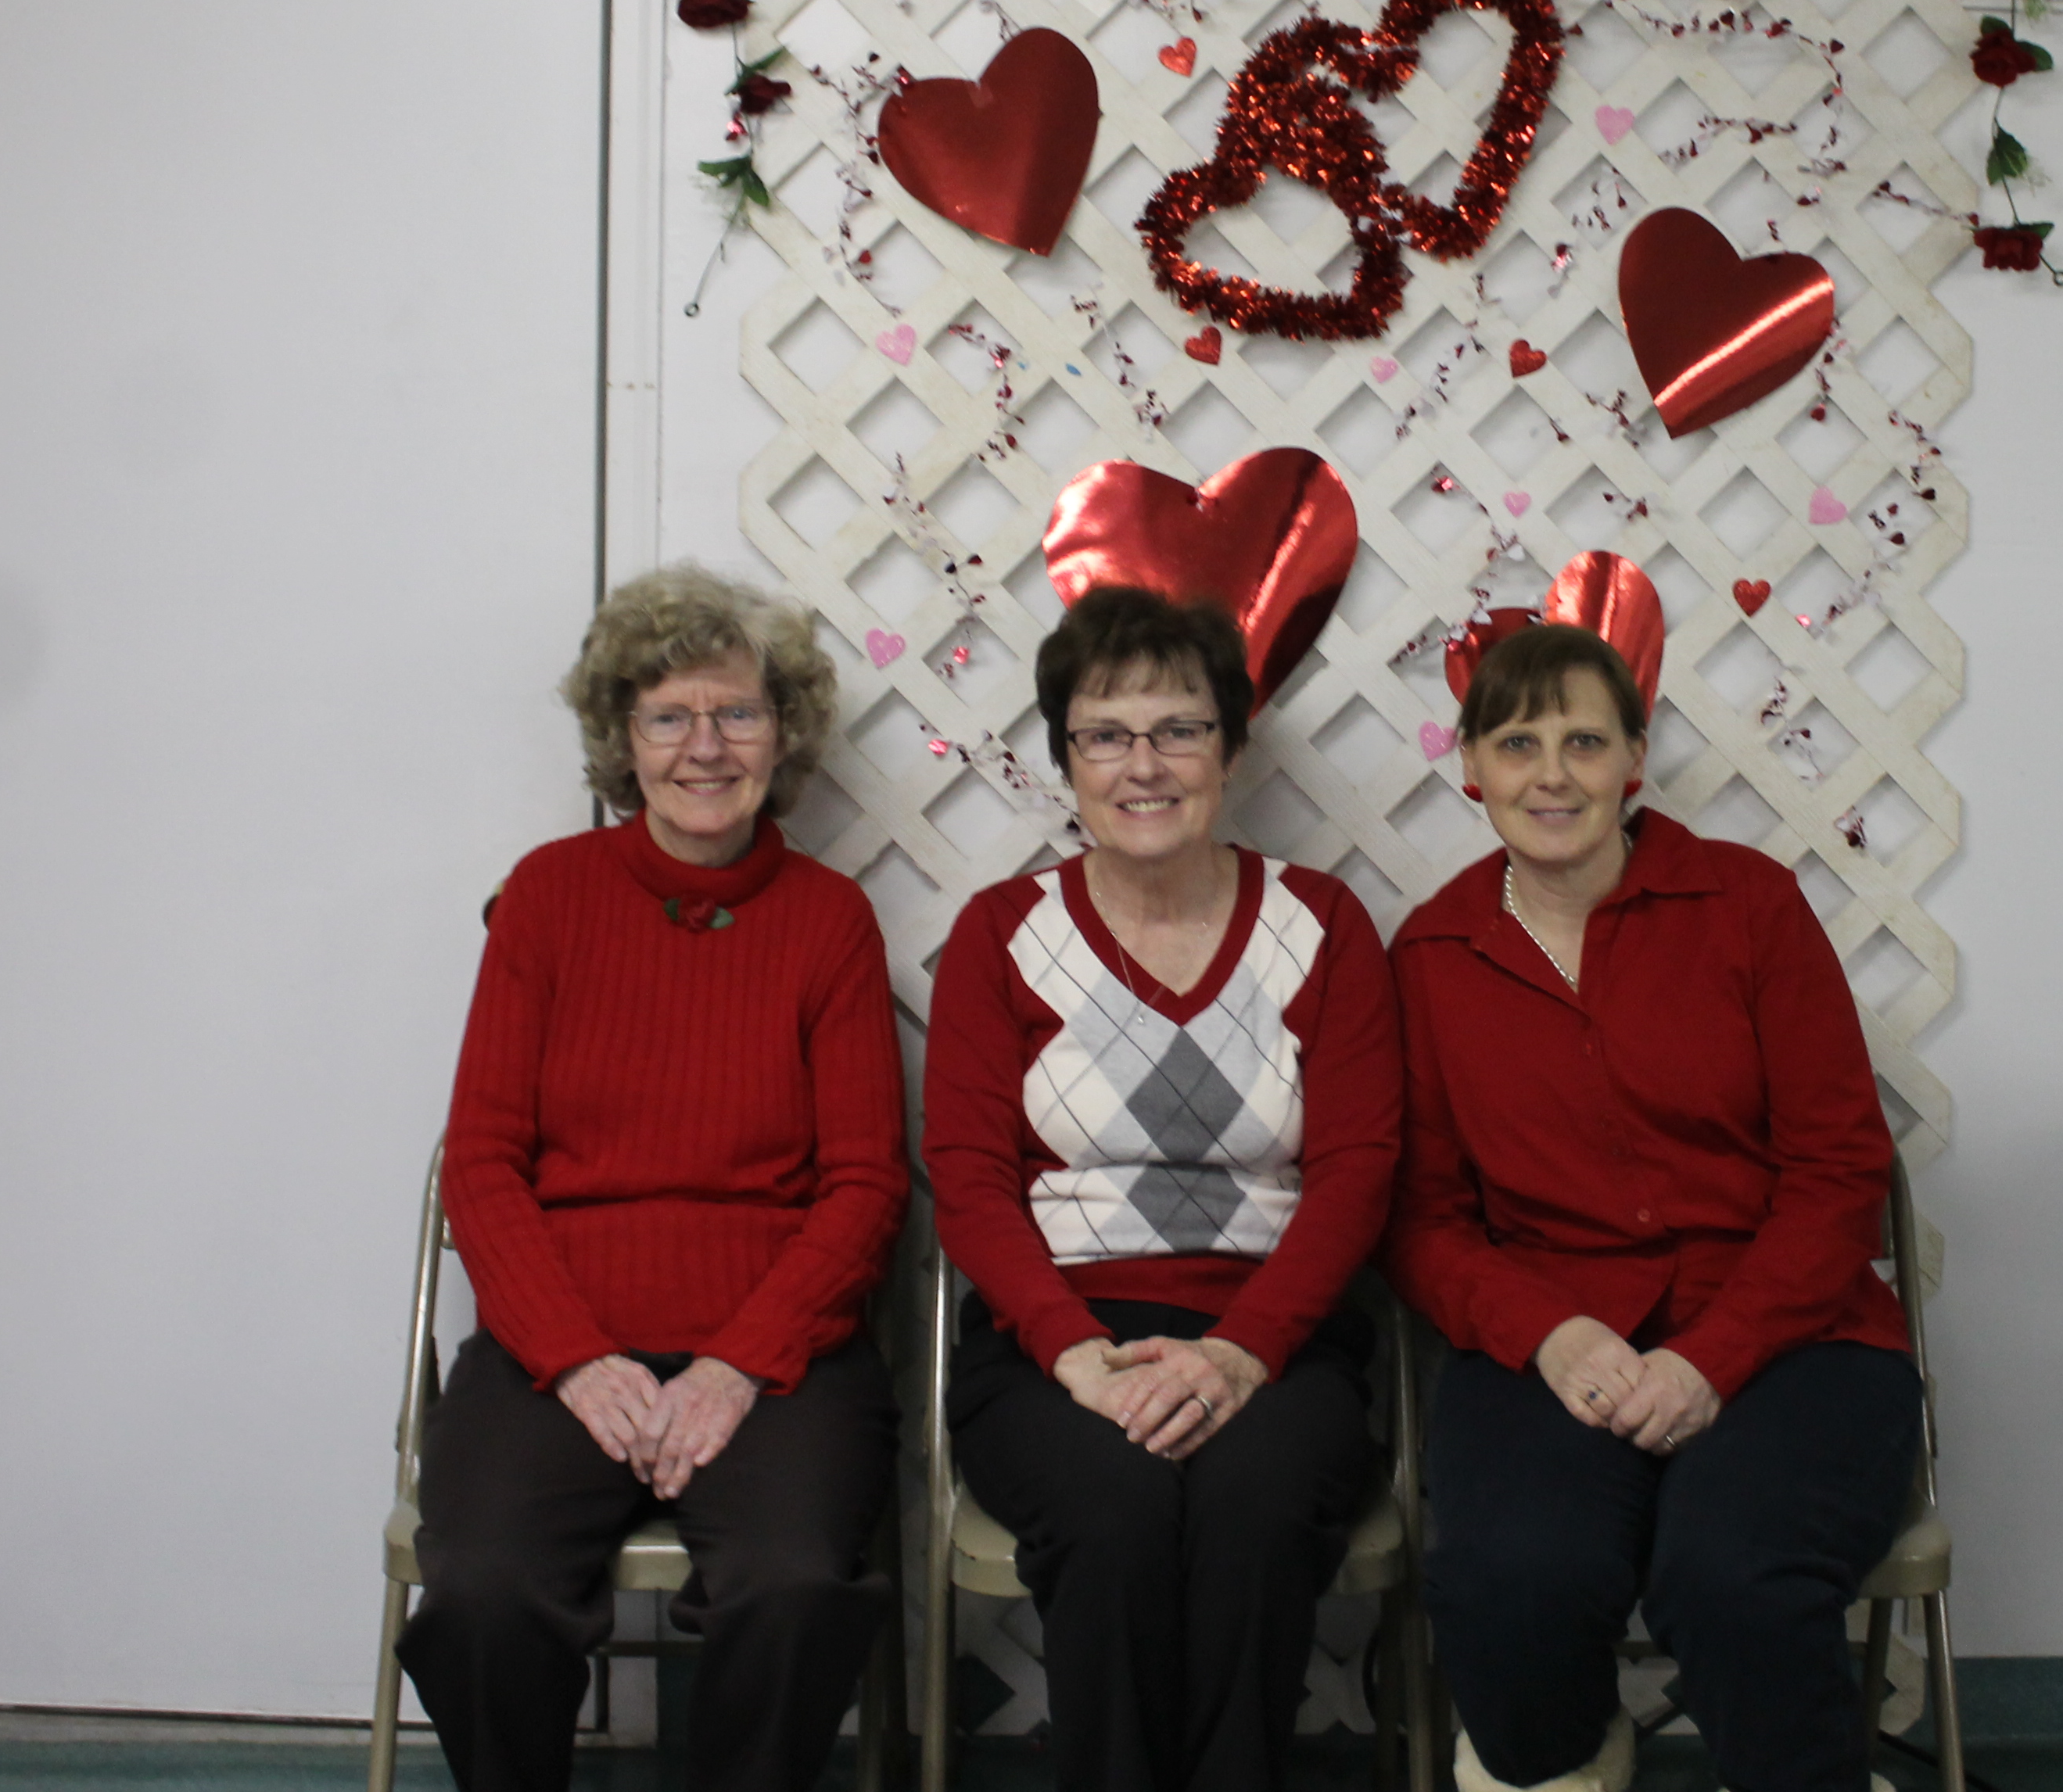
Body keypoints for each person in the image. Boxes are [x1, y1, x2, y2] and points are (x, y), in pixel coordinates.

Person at [1384, 621, 1924, 1792]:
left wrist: (1710, 1359)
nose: (1553, 774)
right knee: (1509, 1581)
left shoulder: (1748, 905)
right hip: (1553, 1340)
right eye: (1517, 743)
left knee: (1735, 1577)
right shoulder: (1432, 954)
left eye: (1585, 741)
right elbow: (1421, 1221)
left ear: (1635, 756)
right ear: (1470, 766)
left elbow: (1840, 1171)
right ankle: (1569, 1756)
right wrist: (1547, 1334)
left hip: (1795, 1336)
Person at [400, 564, 908, 1792]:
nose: (705, 747)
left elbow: (864, 1187)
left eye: (737, 713)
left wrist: (738, 1367)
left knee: (796, 1589)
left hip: (778, 1357)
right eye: (669, 716)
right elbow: (483, 1161)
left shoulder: (830, 920)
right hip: (562, 1341)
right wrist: (576, 1360)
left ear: (783, 733)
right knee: (481, 1593)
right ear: (622, 740)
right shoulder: (547, 899)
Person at [924, 585, 1403, 1792]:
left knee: (1254, 1513)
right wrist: (1076, 1355)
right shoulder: (1002, 933)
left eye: (1180, 729)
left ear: (1231, 750)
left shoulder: (1322, 925)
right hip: (1052, 1343)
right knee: (1115, 1512)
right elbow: (970, 1182)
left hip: (1276, 1338)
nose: (1143, 765)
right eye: (1105, 734)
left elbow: (1356, 1174)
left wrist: (1242, 1353)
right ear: (1065, 760)